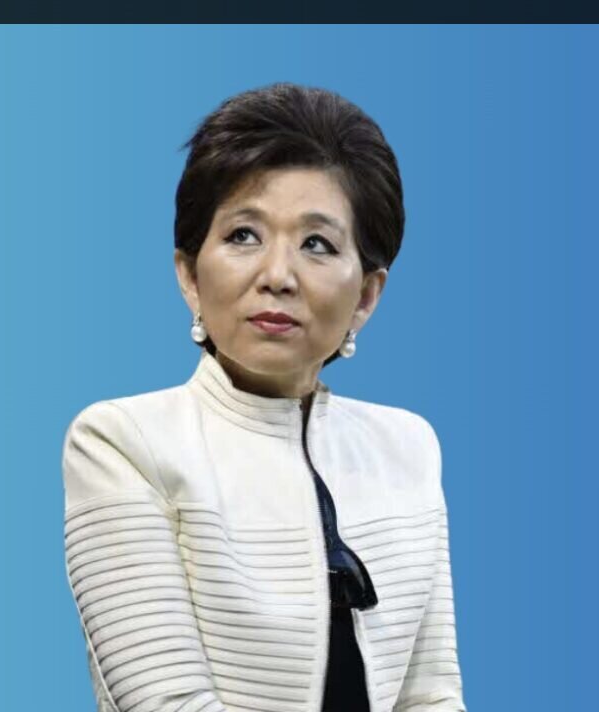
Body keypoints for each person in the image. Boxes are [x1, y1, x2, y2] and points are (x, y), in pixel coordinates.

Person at [62, 82, 466, 712]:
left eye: (317, 244)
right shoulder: (122, 441)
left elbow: (432, 695)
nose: (277, 275)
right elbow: (167, 703)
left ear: (366, 296)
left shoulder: (409, 447)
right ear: (190, 276)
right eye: (244, 235)